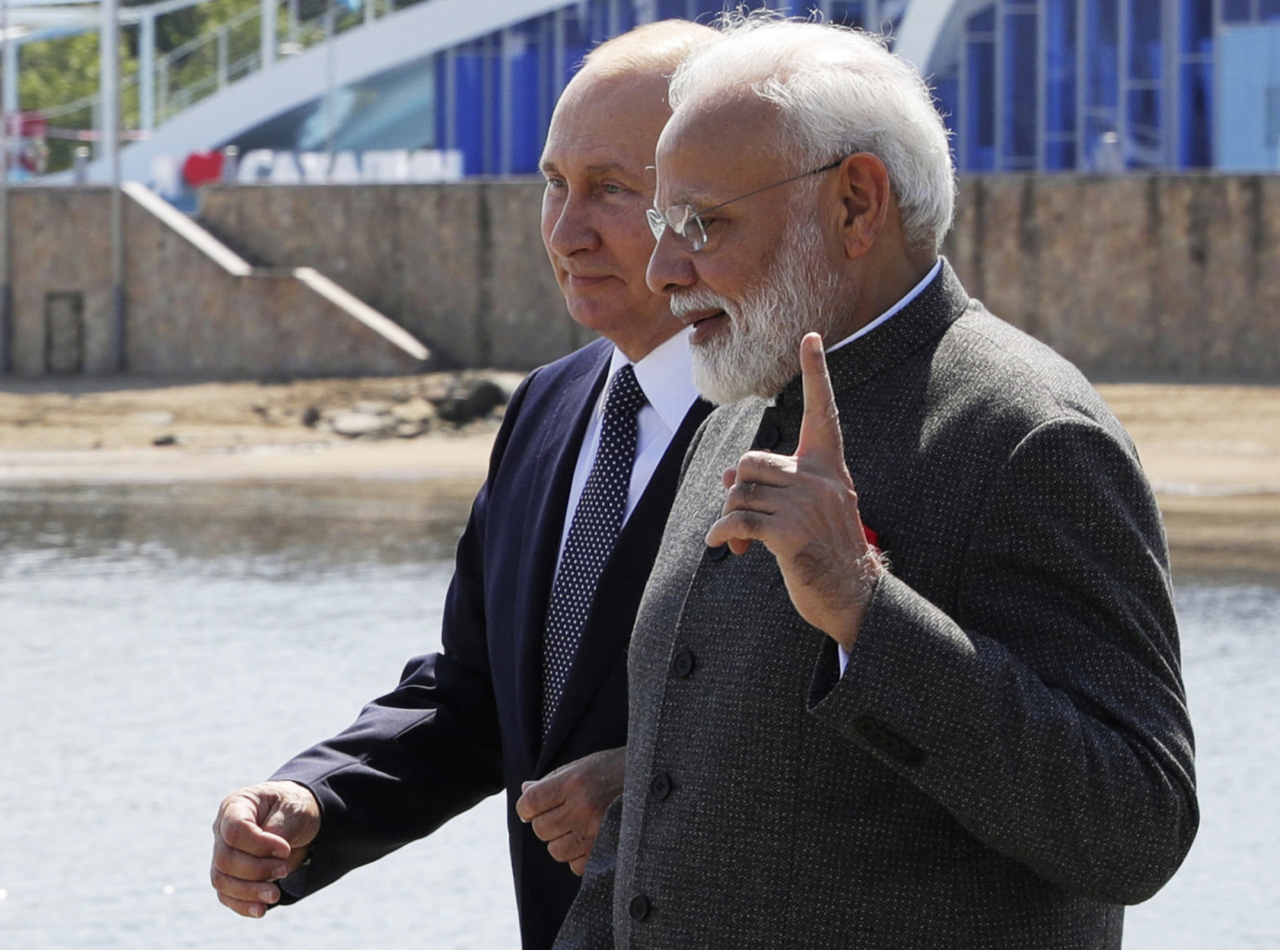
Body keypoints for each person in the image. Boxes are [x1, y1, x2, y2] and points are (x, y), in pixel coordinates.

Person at [554, 14, 1197, 950]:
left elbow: (1136, 828)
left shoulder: (1028, 433)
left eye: (703, 223)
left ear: (857, 204)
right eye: (662, 222)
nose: (664, 267)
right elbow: (660, 817)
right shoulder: (734, 411)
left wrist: (863, 605)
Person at [209, 20, 716, 950]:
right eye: (553, 185)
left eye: (610, 189)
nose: (566, 230)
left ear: (706, 201)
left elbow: (851, 722)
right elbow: (477, 697)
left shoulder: (800, 418)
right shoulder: (548, 407)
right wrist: (315, 797)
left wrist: (651, 783)